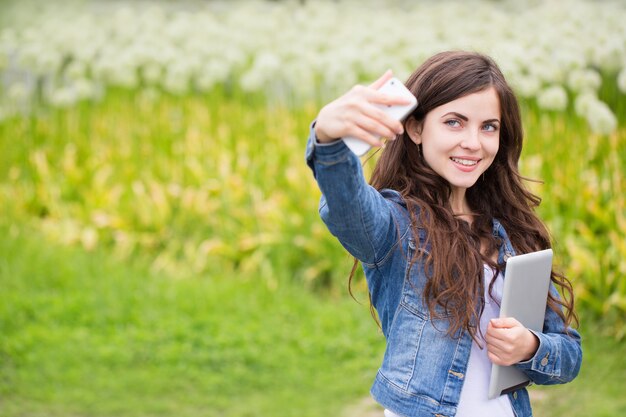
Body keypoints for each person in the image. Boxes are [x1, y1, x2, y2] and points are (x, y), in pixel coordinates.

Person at [304, 51, 582, 417]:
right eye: (454, 122)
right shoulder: (396, 227)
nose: (473, 142)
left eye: (488, 127)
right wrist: (327, 138)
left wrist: (531, 347)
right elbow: (346, 204)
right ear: (416, 128)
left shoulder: (513, 231)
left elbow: (569, 353)